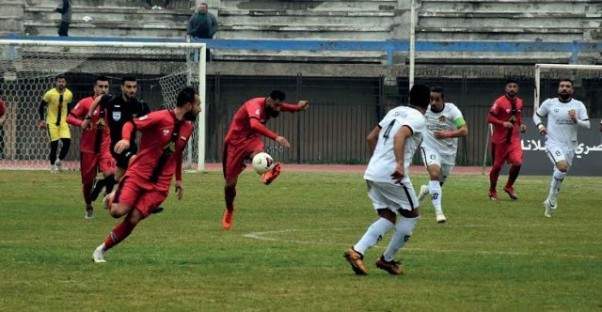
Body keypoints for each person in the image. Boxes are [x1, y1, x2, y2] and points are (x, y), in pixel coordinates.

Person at [92, 87, 200, 263]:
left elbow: (177, 154)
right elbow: (130, 124)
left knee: (133, 218)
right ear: (188, 105)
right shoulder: (160, 117)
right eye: (198, 105)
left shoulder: (188, 128)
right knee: (117, 212)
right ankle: (113, 197)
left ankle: (101, 250)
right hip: (138, 175)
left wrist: (178, 179)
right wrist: (126, 139)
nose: (200, 109)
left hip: (160, 186)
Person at [344, 84, 431, 276]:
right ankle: (387, 260)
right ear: (429, 102)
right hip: (392, 174)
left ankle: (356, 251)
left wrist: (378, 161)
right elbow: (400, 135)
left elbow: (370, 137)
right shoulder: (418, 118)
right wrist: (399, 164)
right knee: (412, 214)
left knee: (388, 217)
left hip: (373, 171)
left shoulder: (395, 111)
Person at [221, 90, 309, 230]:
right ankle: (229, 209)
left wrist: (298, 107)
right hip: (234, 143)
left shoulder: (273, 105)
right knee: (229, 185)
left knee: (259, 155)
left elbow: (285, 107)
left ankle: (267, 171)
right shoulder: (254, 105)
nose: (278, 108)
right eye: (276, 105)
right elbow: (255, 125)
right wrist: (277, 137)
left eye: (279, 106)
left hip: (252, 140)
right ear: (268, 101)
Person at [533, 79, 590, 218]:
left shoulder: (578, 105)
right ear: (558, 88)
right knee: (562, 167)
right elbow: (536, 115)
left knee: (560, 173)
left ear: (572, 90)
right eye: (562, 86)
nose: (564, 88)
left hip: (570, 145)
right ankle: (552, 200)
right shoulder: (550, 103)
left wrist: (576, 120)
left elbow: (587, 125)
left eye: (568, 86)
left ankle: (550, 199)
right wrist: (540, 126)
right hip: (553, 143)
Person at [82, 76, 150, 181]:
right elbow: (99, 99)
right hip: (115, 145)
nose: (132, 90)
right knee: (133, 163)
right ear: (122, 87)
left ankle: (104, 186)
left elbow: (150, 121)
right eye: (128, 87)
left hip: (131, 145)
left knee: (117, 178)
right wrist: (88, 116)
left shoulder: (140, 106)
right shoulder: (112, 101)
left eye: (134, 87)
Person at [416, 86, 468, 223]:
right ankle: (439, 213)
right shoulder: (423, 110)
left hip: (448, 153)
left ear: (443, 100)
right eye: (431, 99)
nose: (433, 102)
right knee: (434, 174)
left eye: (437, 99)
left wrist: (447, 134)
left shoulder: (452, 111)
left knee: (437, 183)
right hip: (429, 147)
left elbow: (464, 130)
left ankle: (424, 190)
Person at [67, 76, 116, 219]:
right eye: (100, 87)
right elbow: (69, 117)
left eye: (106, 87)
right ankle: (88, 205)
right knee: (88, 183)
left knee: (110, 174)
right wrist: (80, 123)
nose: (103, 89)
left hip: (105, 147)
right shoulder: (85, 103)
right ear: (94, 88)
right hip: (88, 149)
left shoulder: (112, 103)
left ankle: (108, 197)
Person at [487, 79, 527, 200]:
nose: (512, 89)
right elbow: (489, 118)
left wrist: (521, 125)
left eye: (514, 86)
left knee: (518, 162)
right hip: (500, 140)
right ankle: (492, 190)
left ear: (517, 89)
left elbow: (518, 117)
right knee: (497, 167)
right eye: (509, 86)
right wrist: (502, 123)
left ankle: (509, 186)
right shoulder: (499, 102)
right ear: (506, 88)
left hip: (514, 139)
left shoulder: (520, 102)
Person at [38, 74, 73, 172]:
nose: (61, 83)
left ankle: (59, 160)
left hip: (64, 122)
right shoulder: (49, 94)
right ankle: (52, 166)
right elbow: (41, 107)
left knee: (67, 142)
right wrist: (42, 120)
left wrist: (69, 120)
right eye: (59, 81)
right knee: (54, 145)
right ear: (56, 82)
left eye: (63, 82)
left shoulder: (69, 94)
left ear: (65, 83)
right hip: (51, 122)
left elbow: (69, 107)